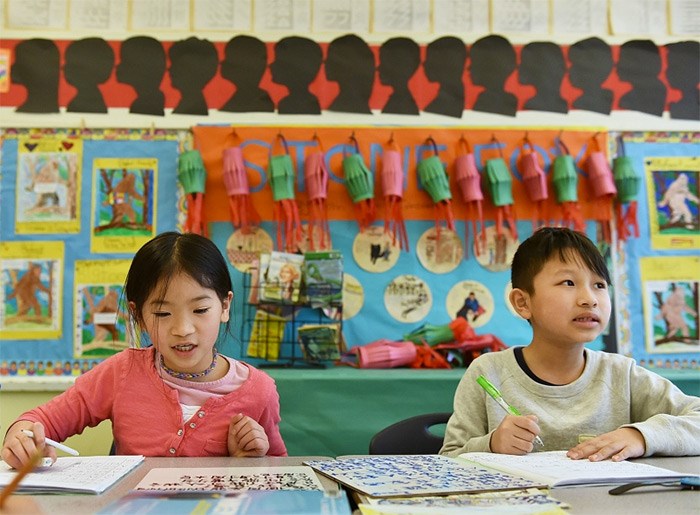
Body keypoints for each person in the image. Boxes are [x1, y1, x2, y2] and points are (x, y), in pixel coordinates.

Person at [1, 232, 287, 469]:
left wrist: (250, 461)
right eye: (163, 314)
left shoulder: (258, 392)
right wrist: (22, 435)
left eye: (200, 309)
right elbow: (42, 420)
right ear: (138, 316)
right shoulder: (122, 372)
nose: (183, 328)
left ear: (225, 306)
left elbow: (280, 479)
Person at [440, 227, 700, 460]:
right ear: (523, 303)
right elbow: (448, 460)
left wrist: (640, 436)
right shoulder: (487, 373)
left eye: (599, 284)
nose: (590, 299)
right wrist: (492, 444)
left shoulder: (622, 375)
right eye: (568, 282)